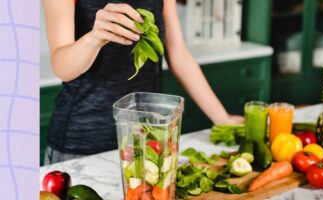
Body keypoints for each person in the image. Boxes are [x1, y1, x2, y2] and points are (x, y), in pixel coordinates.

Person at [42, 0, 244, 164]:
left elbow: (179, 56)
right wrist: (93, 39)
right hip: (82, 144)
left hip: (145, 140)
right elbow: (62, 67)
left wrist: (222, 117)